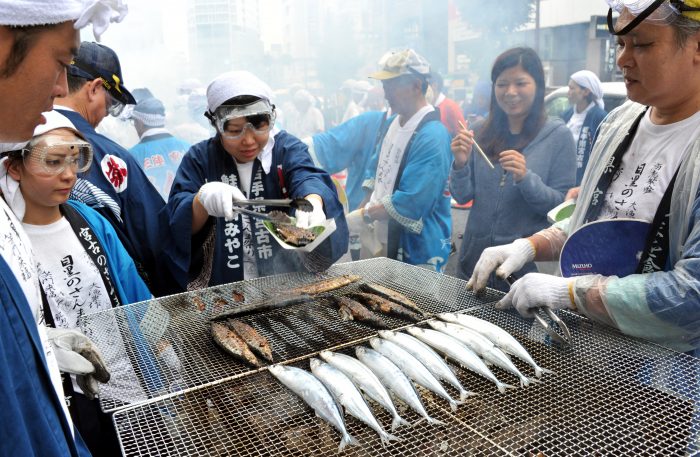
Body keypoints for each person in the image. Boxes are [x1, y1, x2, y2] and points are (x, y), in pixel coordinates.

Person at [467, 0, 700, 358]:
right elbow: (593, 220)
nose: (623, 59)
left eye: (641, 44)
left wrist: (572, 293)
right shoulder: (619, 123)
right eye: (621, 44)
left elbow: (692, 293)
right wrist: (529, 246)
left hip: (666, 377)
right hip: (580, 349)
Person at [0, 1, 127, 455]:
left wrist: (34, 345)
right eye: (60, 63)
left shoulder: (87, 218)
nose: (59, 90)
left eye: (74, 162)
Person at [1, 110, 153, 457]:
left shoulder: (91, 221)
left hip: (128, 385)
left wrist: (163, 347)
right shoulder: (7, 243)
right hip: (67, 401)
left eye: (75, 160)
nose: (68, 175)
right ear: (13, 167)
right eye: (53, 162)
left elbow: (134, 292)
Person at [165, 71, 349, 289]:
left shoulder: (286, 149)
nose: (249, 141)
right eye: (235, 130)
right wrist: (201, 201)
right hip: (224, 288)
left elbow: (306, 175)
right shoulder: (199, 158)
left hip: (287, 285)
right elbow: (177, 219)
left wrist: (314, 202)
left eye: (259, 128)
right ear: (216, 125)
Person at [54, 41, 179, 297]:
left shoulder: (17, 143)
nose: (106, 115)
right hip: (114, 302)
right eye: (110, 104)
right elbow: (156, 240)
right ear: (95, 88)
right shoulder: (110, 156)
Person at [449, 47, 576, 291]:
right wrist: (461, 163)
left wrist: (525, 178)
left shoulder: (558, 137)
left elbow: (560, 209)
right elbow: (462, 195)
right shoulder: (480, 131)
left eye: (520, 83)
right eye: (502, 84)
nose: (510, 92)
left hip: (521, 273)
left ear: (538, 86)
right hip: (474, 264)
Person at [344, 49, 453, 272]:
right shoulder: (393, 122)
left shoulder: (432, 135)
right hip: (382, 231)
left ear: (415, 85)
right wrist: (363, 208)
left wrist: (363, 216)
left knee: (414, 304)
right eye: (385, 86)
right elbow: (376, 168)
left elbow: (414, 199)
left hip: (417, 247)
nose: (386, 93)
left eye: (392, 85)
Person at [128, 96, 191, 201]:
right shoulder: (187, 147)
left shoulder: (132, 156)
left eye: (134, 122)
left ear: (140, 123)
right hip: (186, 212)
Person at [562, 70, 608, 185]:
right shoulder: (567, 115)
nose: (568, 92)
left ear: (586, 91)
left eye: (572, 88)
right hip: (564, 178)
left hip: (583, 182)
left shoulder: (599, 117)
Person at [429, 71, 466, 138]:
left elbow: (463, 133)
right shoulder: (428, 107)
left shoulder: (450, 106)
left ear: (434, 86)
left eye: (425, 86)